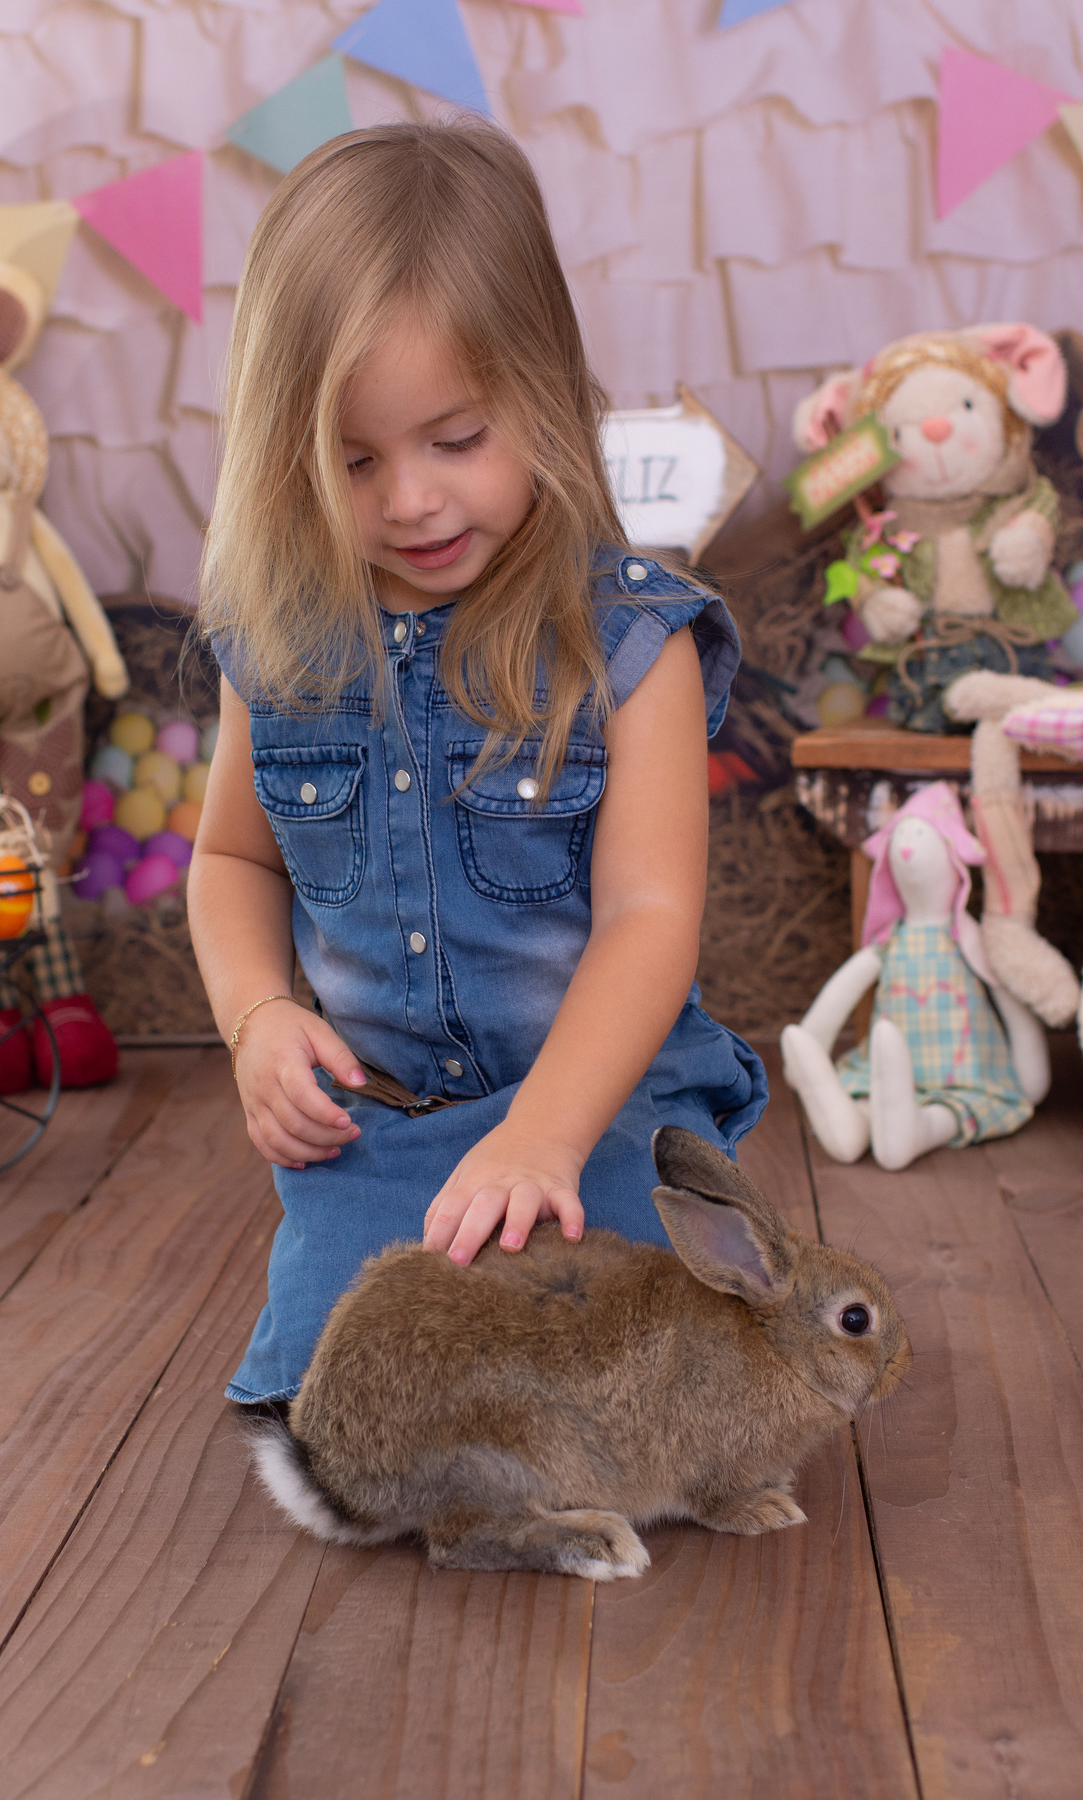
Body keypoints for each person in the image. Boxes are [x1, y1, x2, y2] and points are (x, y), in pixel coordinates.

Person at [189, 119, 767, 1406]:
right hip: (385, 1120)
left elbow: (649, 918)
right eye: (353, 459)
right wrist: (256, 1016)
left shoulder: (628, 643)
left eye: (456, 440)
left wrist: (543, 1138)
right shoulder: (283, 641)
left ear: (546, 395)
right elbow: (232, 858)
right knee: (340, 1387)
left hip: (596, 1101)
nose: (409, 501)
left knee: (637, 1357)